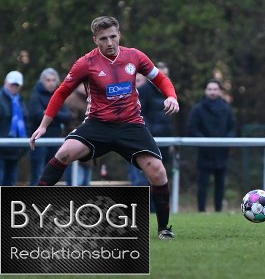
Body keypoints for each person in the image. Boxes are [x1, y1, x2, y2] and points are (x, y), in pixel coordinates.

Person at [29, 16, 180, 240]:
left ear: (119, 35)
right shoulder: (86, 63)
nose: (109, 42)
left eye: (112, 36)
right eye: (103, 39)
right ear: (95, 40)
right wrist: (43, 126)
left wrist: (171, 96)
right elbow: (61, 92)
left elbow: (160, 79)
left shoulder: (135, 56)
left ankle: (164, 228)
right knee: (64, 153)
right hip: (97, 124)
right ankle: (32, 214)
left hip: (131, 125)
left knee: (158, 171)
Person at [187, 79, 237, 212]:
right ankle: (201, 210)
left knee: (220, 183)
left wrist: (226, 142)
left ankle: (218, 210)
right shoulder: (198, 109)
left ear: (220, 91)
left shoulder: (227, 109)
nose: (212, 92)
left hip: (221, 153)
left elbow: (232, 128)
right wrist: (204, 142)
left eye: (215, 89)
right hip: (204, 153)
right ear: (205, 91)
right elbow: (192, 128)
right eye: (210, 89)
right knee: (202, 183)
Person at [28, 68, 72, 186]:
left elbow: (68, 116)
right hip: (39, 142)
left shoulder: (58, 96)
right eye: (48, 80)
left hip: (54, 141)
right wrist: (55, 114)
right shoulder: (36, 96)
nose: (51, 83)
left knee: (50, 175)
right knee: (37, 174)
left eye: (53, 80)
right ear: (42, 81)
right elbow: (36, 116)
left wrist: (49, 113)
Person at [0, 71, 29, 185]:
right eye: (12, 84)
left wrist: (24, 147)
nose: (14, 87)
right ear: (6, 82)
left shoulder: (20, 101)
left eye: (17, 85)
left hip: (15, 151)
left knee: (11, 183)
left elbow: (26, 123)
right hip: (2, 150)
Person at [63, 84, 93, 185]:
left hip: (89, 148)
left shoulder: (92, 99)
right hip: (75, 146)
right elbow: (70, 125)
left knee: (85, 183)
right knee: (76, 182)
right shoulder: (72, 100)